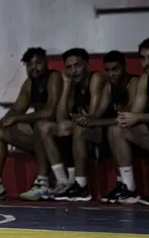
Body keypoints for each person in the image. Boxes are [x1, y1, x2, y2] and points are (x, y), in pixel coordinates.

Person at [0, 47, 62, 201]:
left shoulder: (54, 77)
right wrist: (6, 121)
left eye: (38, 63)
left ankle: (44, 182)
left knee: (39, 125)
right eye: (30, 65)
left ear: (47, 63)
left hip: (58, 136)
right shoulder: (30, 84)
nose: (34, 68)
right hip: (39, 136)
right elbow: (17, 109)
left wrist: (16, 119)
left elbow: (51, 112)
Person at [52, 51, 138, 202]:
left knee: (114, 130)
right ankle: (80, 185)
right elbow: (96, 115)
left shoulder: (133, 82)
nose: (111, 74)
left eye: (115, 69)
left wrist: (90, 121)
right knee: (83, 129)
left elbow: (125, 118)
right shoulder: (109, 87)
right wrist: (86, 119)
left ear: (125, 67)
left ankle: (127, 188)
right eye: (108, 70)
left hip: (132, 132)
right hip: (111, 132)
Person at [37, 48, 105, 199]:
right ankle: (63, 182)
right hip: (81, 128)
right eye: (69, 67)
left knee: (78, 129)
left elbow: (92, 118)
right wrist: (67, 85)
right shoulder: (72, 82)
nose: (74, 71)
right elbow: (61, 117)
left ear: (87, 65)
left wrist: (77, 120)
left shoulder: (96, 78)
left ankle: (82, 186)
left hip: (102, 132)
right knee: (44, 126)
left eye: (78, 65)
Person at [108, 38, 149, 205]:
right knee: (116, 129)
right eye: (143, 58)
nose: (146, 63)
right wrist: (126, 118)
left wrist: (138, 117)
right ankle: (128, 188)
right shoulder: (145, 79)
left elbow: (138, 116)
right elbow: (136, 112)